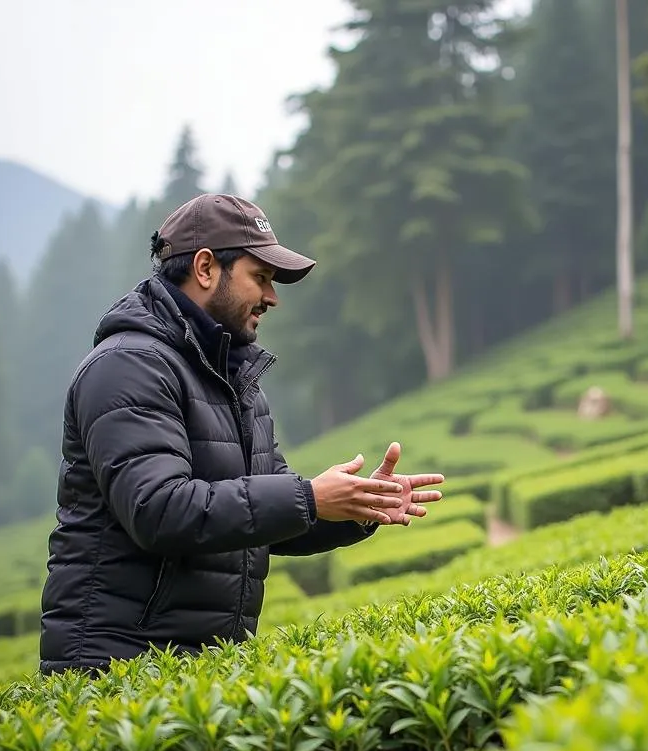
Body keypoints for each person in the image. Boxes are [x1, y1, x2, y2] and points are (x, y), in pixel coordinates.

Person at [39, 193, 444, 677]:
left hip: (200, 665)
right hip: (119, 666)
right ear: (206, 268)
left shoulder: (234, 379)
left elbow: (257, 514)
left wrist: (357, 506)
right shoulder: (128, 366)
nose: (272, 298)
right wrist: (310, 497)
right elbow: (159, 510)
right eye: (262, 278)